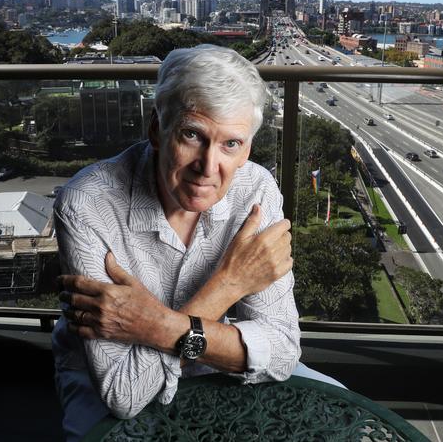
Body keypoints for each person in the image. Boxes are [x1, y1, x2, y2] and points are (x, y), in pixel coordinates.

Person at [52, 44, 341, 441]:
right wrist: (230, 284)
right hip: (101, 380)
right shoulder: (86, 203)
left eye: (231, 145)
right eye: (193, 135)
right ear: (157, 128)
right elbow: (123, 392)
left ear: (247, 150)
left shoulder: (257, 190)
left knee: (338, 411)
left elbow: (282, 351)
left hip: (212, 362)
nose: (208, 168)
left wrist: (157, 326)